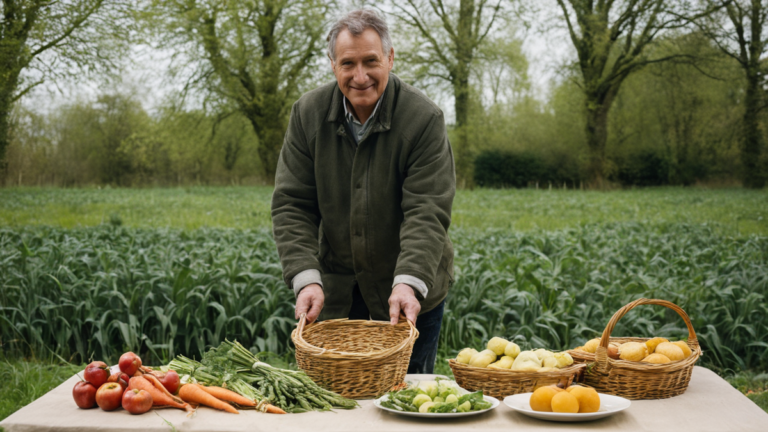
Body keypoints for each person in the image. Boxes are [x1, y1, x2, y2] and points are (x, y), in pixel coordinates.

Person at [271, 9, 455, 374]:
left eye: (371, 61)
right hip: (337, 293)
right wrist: (306, 277)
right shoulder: (307, 114)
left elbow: (427, 211)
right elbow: (293, 204)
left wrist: (408, 284)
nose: (360, 76)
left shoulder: (423, 119)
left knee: (408, 401)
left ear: (389, 57)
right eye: (348, 63)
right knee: (339, 406)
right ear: (332, 64)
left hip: (408, 293)